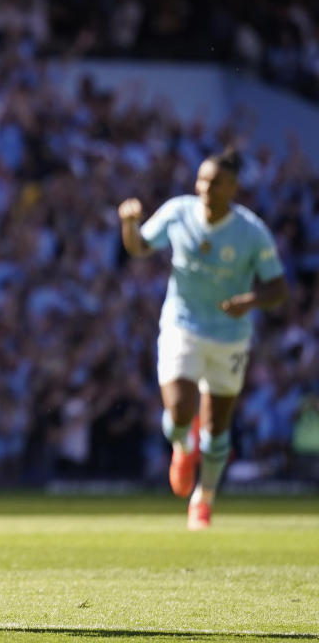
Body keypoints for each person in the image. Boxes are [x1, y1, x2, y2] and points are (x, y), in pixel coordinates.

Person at [117, 148, 286, 530]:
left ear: (232, 187)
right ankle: (181, 447)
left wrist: (251, 300)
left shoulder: (251, 231)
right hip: (183, 325)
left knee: (217, 428)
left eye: (214, 181)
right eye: (201, 179)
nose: (205, 186)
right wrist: (129, 224)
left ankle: (203, 499)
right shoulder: (178, 211)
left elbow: (279, 288)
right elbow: (140, 247)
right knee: (178, 412)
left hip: (230, 337)